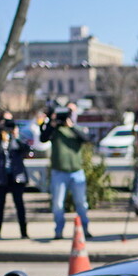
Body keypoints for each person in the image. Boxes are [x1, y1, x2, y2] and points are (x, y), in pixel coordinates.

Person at [40, 102, 91, 240]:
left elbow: (87, 139)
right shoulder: (55, 130)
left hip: (76, 172)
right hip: (59, 172)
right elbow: (43, 138)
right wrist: (52, 122)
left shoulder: (77, 129)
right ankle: (58, 231)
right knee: (57, 204)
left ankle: (85, 230)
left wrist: (72, 126)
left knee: (81, 203)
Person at [0, 112, 30, 239]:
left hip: (17, 176)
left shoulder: (17, 136)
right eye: (4, 121)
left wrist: (16, 136)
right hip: (0, 177)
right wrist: (1, 132)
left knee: (20, 205)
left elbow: (27, 150)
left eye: (9, 120)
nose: (7, 123)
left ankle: (24, 232)